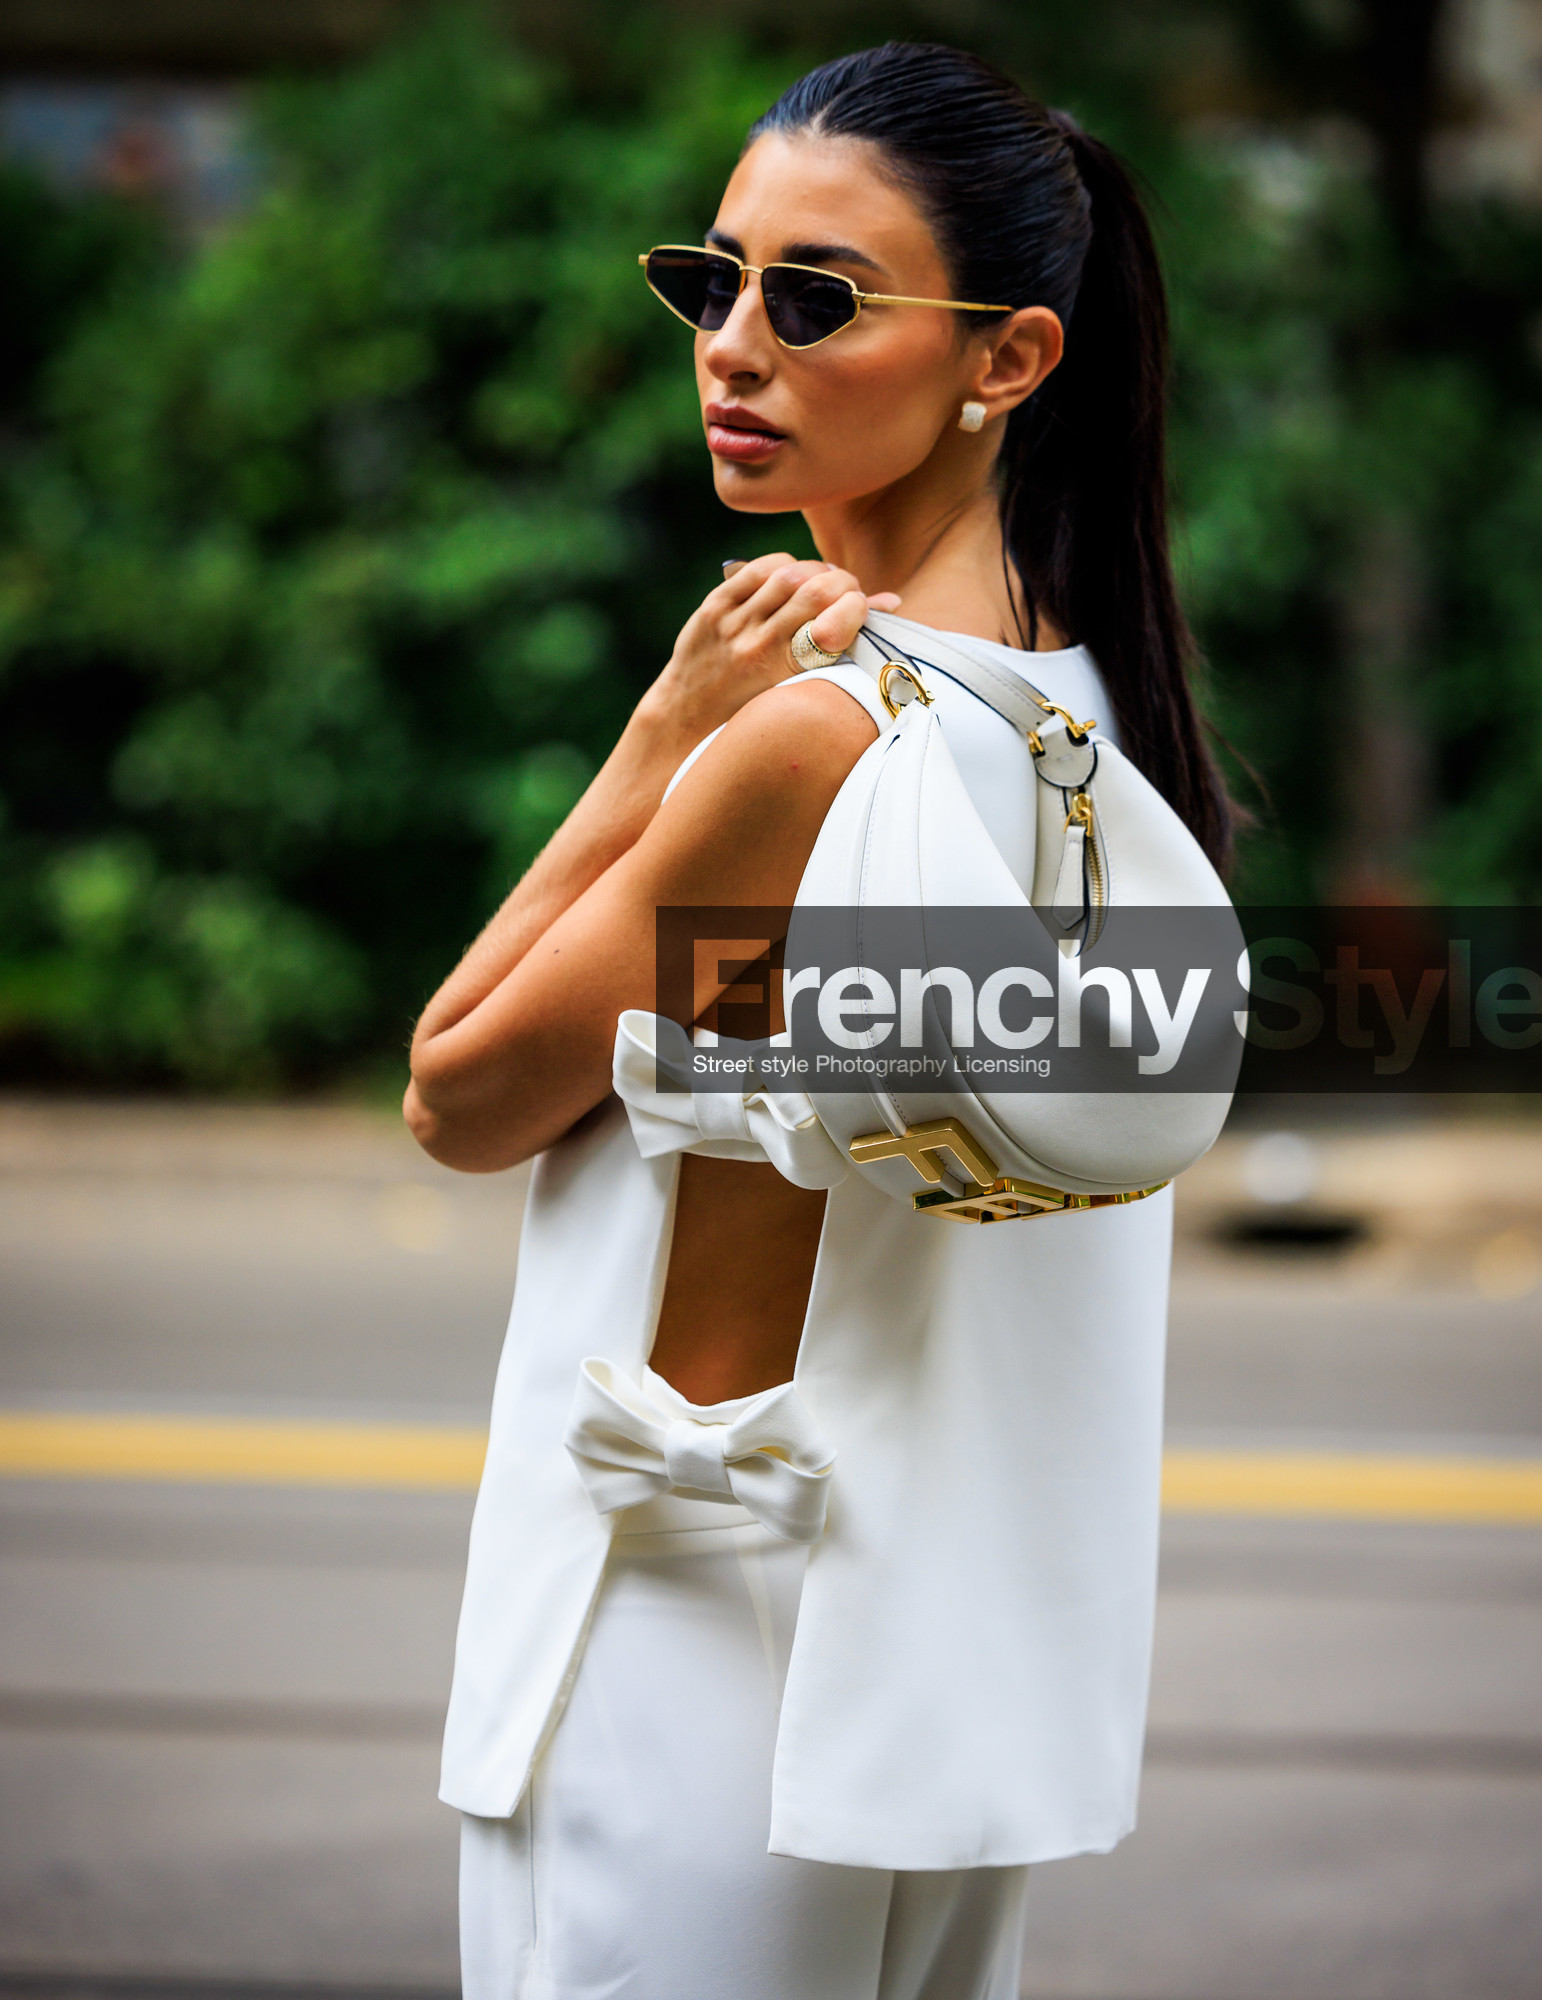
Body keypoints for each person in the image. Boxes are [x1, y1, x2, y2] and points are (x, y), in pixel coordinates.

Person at [405, 41, 1232, 2000]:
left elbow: (459, 1087)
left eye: (816, 296)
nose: (732, 344)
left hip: (689, 1636)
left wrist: (651, 743)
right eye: (712, 281)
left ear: (1006, 358)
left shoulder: (799, 738)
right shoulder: (1083, 721)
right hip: (940, 1699)